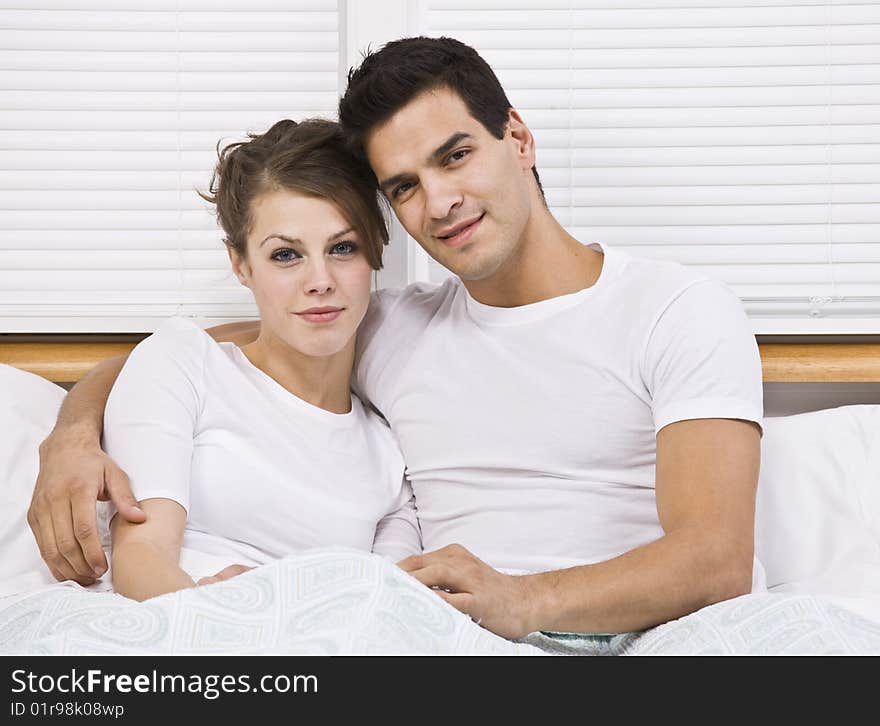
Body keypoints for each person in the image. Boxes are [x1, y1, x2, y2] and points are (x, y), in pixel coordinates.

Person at [29, 37, 763, 635]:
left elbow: (715, 559)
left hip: (656, 634)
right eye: (404, 187)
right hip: (452, 643)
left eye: (455, 155)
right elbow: (196, 348)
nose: (440, 202)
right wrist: (71, 439)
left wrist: (520, 601)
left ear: (518, 137)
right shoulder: (391, 324)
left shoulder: (677, 309)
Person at [43, 118, 420, 601]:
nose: (320, 279)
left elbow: (389, 606)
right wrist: (222, 614)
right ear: (240, 264)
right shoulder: (184, 362)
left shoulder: (389, 456)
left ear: (375, 252)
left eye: (343, 248)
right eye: (286, 255)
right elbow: (142, 558)